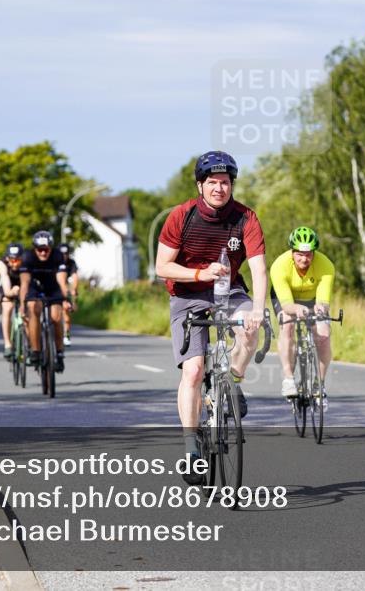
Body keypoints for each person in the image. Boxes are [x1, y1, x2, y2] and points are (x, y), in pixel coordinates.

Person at [154, 150, 267, 483]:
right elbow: (162, 267)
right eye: (213, 182)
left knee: (248, 331)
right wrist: (200, 273)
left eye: (226, 182)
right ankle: (191, 450)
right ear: (200, 185)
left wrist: (258, 308)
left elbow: (259, 268)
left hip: (229, 291)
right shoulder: (182, 215)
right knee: (194, 369)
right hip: (187, 295)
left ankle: (233, 381)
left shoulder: (245, 217)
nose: (220, 188)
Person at [270, 226, 335, 409]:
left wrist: (320, 309)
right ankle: (289, 379)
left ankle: (319, 386)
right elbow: (287, 306)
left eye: (308, 254)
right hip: (286, 299)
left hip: (312, 299)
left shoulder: (326, 265)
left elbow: (323, 301)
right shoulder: (279, 266)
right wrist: (296, 309)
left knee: (323, 333)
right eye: (299, 254)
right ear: (292, 252)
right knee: (287, 325)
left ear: (314, 253)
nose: (304, 258)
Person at [19, 231, 71, 372]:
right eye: (40, 250)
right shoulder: (27, 257)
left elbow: (62, 280)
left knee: (56, 317)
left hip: (52, 286)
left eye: (46, 249)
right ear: (35, 249)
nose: (43, 253)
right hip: (34, 286)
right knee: (33, 308)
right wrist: (22, 304)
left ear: (51, 248)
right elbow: (24, 283)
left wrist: (67, 298)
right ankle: (35, 350)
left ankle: (59, 353)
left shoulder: (57, 256)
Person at [0, 242, 23, 360]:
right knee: (7, 307)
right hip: (8, 284)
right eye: (12, 260)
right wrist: (10, 292)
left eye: (17, 261)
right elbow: (5, 282)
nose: (14, 264)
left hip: (23, 283)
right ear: (7, 258)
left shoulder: (27, 262)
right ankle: (8, 344)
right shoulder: (2, 263)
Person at [58, 243, 80, 345]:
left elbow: (75, 277)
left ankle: (66, 334)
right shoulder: (54, 261)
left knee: (66, 309)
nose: (64, 256)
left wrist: (74, 291)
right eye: (62, 254)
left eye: (66, 253)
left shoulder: (71, 263)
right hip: (53, 286)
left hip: (65, 288)